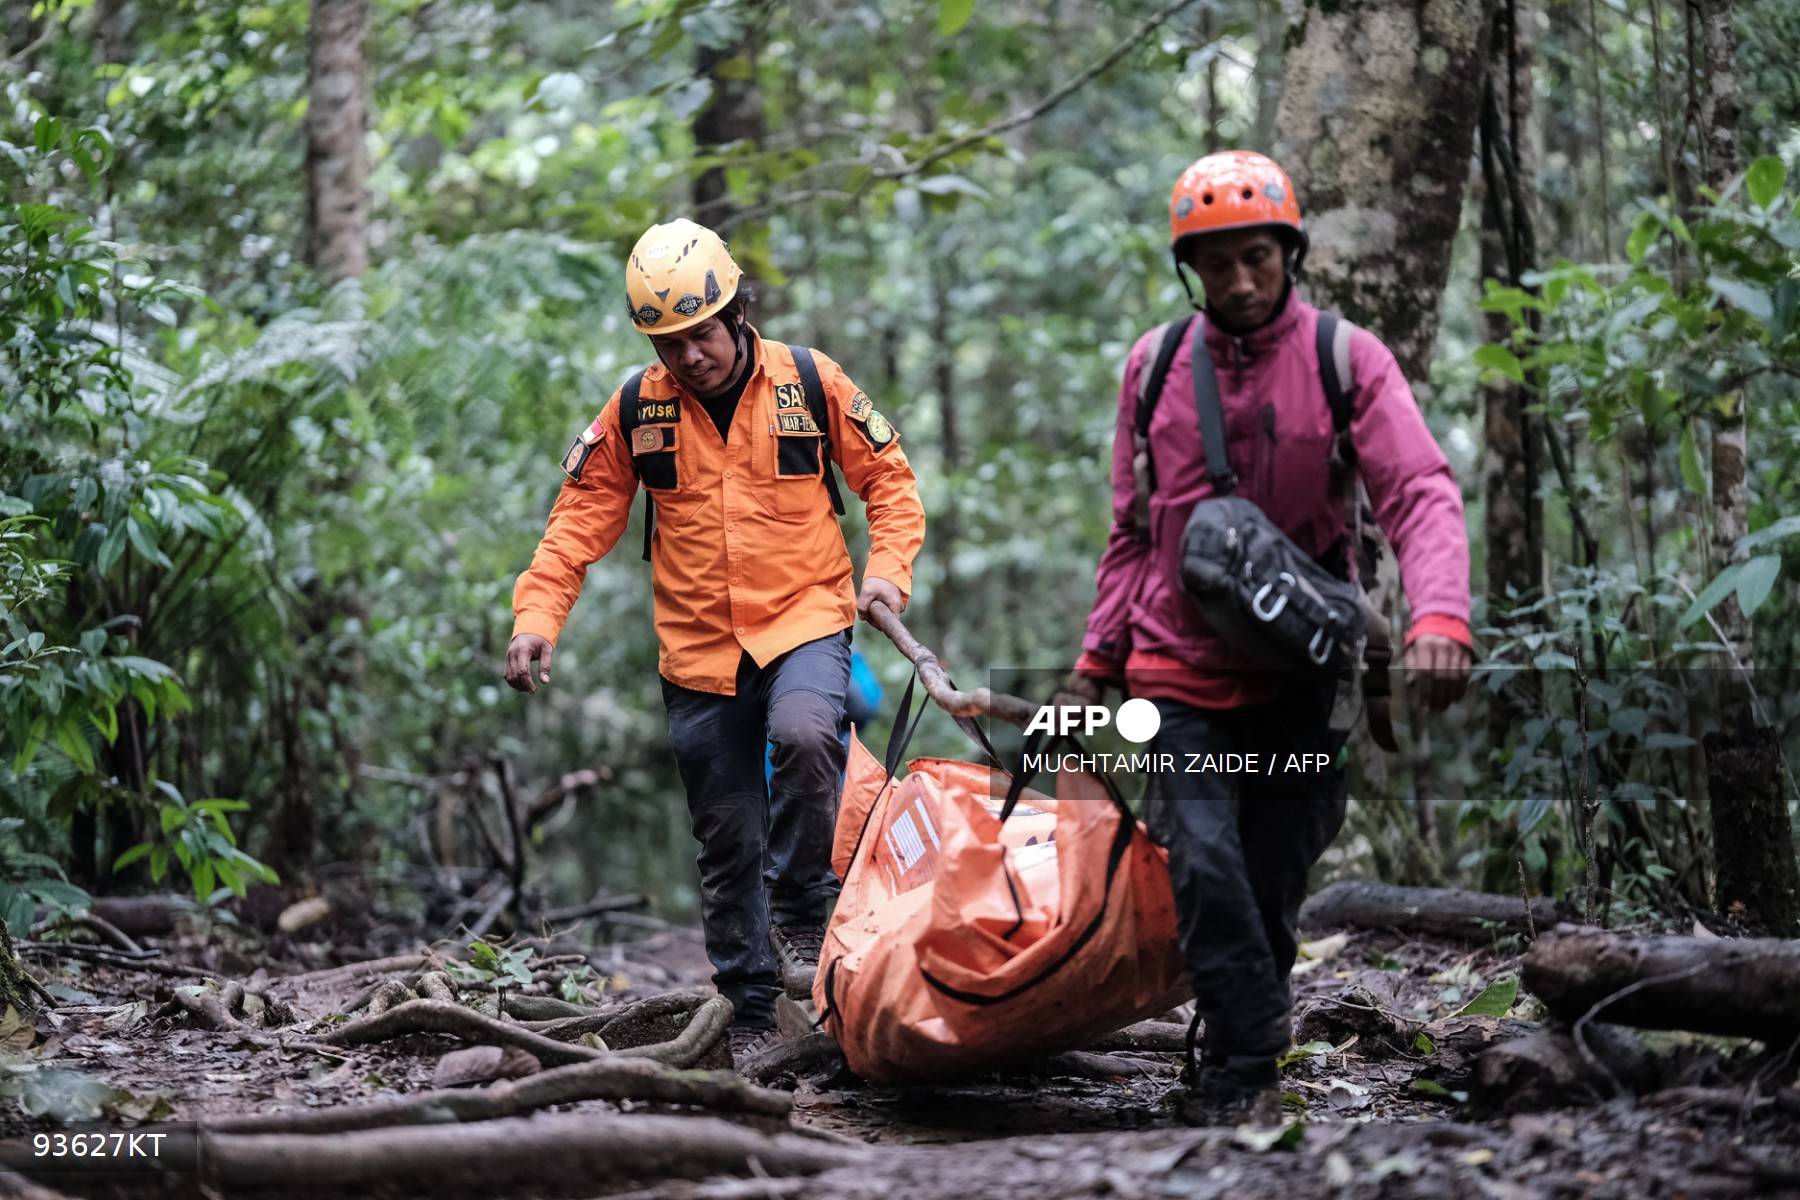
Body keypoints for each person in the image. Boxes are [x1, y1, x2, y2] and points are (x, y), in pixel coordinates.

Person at [1069, 151, 1472, 1120]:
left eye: (1257, 258)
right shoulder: (1155, 366)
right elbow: (1133, 531)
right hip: (1176, 671)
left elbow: (1417, 490)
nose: (1240, 282)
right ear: (1190, 271)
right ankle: (1245, 1075)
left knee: (1273, 871)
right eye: (1217, 265)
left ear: (1288, 252)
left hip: (1299, 675)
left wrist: (1441, 614)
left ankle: (1234, 1039)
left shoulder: (1346, 358)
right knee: (1204, 862)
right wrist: (1096, 662)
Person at [504, 219, 925, 1069]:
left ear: (737, 312)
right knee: (726, 832)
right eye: (670, 340)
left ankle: (806, 911)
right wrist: (535, 621)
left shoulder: (811, 382)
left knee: (808, 737)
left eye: (702, 331)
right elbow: (577, 524)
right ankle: (748, 1012)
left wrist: (887, 572)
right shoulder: (636, 408)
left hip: (806, 617)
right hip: (697, 652)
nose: (690, 354)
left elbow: (890, 482)